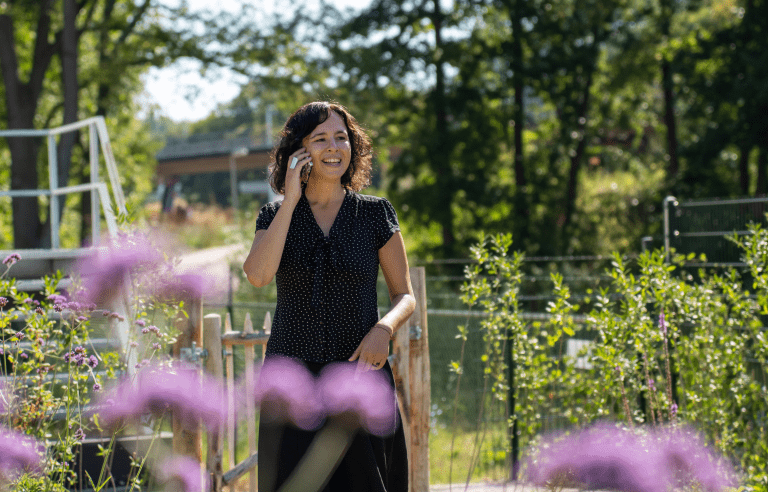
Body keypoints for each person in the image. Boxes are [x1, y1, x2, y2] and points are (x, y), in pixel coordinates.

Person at [242, 101, 414, 492]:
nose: (334, 147)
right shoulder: (274, 215)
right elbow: (257, 275)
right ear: (298, 152)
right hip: (291, 385)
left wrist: (384, 330)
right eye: (320, 139)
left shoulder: (374, 214)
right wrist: (290, 200)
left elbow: (405, 295)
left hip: (358, 380)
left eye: (341, 137)